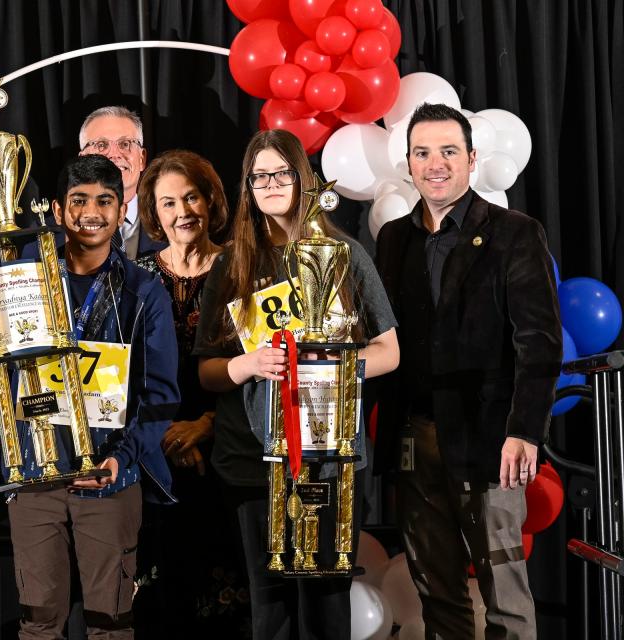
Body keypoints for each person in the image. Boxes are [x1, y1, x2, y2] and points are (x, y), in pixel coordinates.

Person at [193, 129, 399, 640]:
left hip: (328, 456)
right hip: (251, 458)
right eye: (258, 176)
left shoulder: (345, 253)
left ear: (302, 179)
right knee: (269, 607)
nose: (269, 184)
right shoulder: (233, 263)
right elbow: (207, 371)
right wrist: (248, 365)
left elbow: (390, 352)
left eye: (280, 172)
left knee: (328, 600)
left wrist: (329, 368)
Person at [0, 154, 179, 638]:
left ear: (121, 207)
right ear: (59, 211)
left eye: (105, 200)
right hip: (34, 473)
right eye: (79, 200)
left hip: (107, 475)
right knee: (40, 621)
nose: (92, 211)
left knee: (110, 622)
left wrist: (123, 460)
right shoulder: (18, 281)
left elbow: (162, 393)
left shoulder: (143, 291)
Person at [374, 102, 561, 638]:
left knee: (505, 594)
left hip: (490, 441)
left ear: (472, 159)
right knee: (436, 592)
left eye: (449, 151)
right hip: (414, 438)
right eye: (422, 152)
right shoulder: (392, 240)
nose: (435, 163)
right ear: (408, 163)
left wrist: (525, 431)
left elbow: (540, 342)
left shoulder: (515, 232)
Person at [134, 150, 246, 636]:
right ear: (154, 213)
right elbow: (118, 375)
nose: (182, 212)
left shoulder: (245, 272)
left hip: (227, 449)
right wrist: (161, 434)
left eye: (192, 197)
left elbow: (265, 368)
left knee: (224, 605)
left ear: (211, 200)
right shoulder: (133, 279)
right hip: (152, 456)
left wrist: (207, 426)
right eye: (168, 203)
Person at [79, 105, 167, 260]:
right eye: (101, 145)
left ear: (142, 159)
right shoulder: (47, 239)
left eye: (125, 144)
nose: (114, 154)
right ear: (82, 160)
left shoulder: (174, 224)